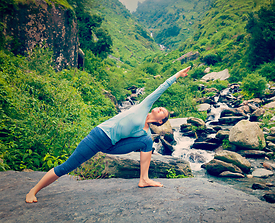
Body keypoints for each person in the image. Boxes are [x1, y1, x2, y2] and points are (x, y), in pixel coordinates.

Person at [26, 66, 191, 203]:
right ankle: (33, 191)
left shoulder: (144, 132)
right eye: (160, 107)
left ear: (161, 121)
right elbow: (161, 88)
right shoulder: (143, 107)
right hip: (98, 137)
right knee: (67, 167)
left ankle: (144, 179)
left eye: (163, 111)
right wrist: (177, 75)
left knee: (147, 141)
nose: (159, 108)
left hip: (111, 146)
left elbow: (133, 142)